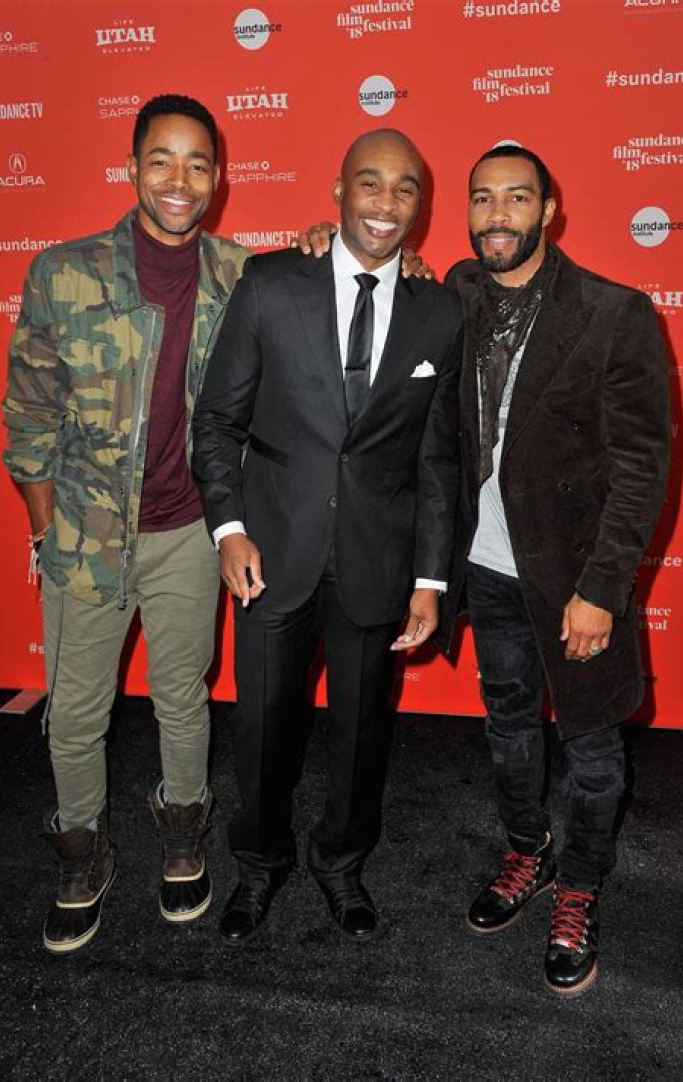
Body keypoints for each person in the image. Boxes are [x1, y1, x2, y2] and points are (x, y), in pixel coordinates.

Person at [191, 129, 464, 944]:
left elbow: (438, 458)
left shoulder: (439, 310)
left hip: (378, 561)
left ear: (421, 204)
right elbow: (216, 421)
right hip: (272, 552)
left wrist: (431, 579)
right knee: (261, 728)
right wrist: (229, 529)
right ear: (338, 191)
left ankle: (341, 863)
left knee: (362, 731)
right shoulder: (272, 283)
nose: (386, 203)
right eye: (370, 184)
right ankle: (258, 862)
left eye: (405, 188)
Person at [2, 94, 250, 953]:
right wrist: (47, 533)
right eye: (162, 159)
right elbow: (29, 419)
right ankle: (84, 852)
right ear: (132, 166)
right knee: (75, 713)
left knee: (184, 696)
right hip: (84, 533)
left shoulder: (241, 276)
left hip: (188, 533)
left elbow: (322, 298)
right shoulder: (62, 273)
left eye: (198, 163)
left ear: (217, 178)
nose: (180, 179)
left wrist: (331, 245)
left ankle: (182, 831)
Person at [439, 144, 670, 995]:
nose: (497, 214)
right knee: (508, 726)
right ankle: (526, 850)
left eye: (516, 198)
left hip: (576, 579)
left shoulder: (613, 312)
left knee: (593, 748)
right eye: (483, 198)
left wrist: (603, 590)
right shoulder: (458, 293)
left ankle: (578, 886)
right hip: (487, 566)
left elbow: (642, 467)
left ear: (549, 209)